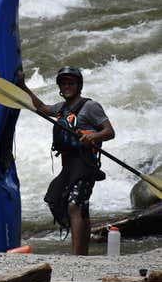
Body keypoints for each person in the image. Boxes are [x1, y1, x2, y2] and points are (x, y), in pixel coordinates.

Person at [18, 66, 115, 255]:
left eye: (71, 83)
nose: (67, 86)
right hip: (69, 165)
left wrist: (93, 136)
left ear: (79, 86)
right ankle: (82, 253)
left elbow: (110, 132)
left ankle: (78, 257)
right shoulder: (61, 108)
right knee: (57, 199)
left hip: (86, 164)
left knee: (74, 205)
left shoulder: (90, 107)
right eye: (63, 83)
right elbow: (43, 108)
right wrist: (23, 86)